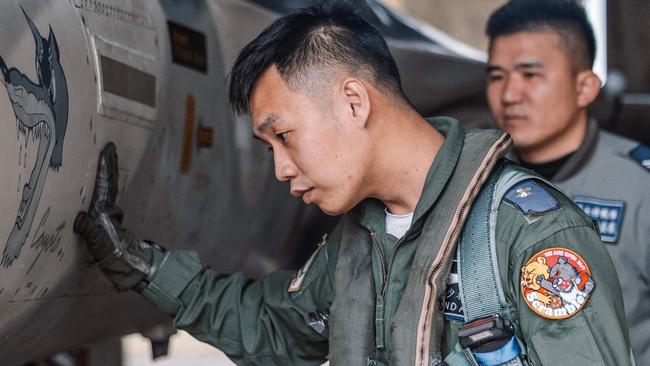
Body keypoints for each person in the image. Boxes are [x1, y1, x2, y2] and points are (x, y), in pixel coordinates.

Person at [74, 2, 634, 365]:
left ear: (353, 101)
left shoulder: (529, 238)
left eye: (285, 136)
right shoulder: (357, 243)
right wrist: (141, 266)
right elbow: (275, 326)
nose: (281, 169)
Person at [485, 0, 650, 363]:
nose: (510, 95)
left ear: (585, 88)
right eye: (497, 77)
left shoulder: (639, 186)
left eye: (530, 75)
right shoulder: (476, 181)